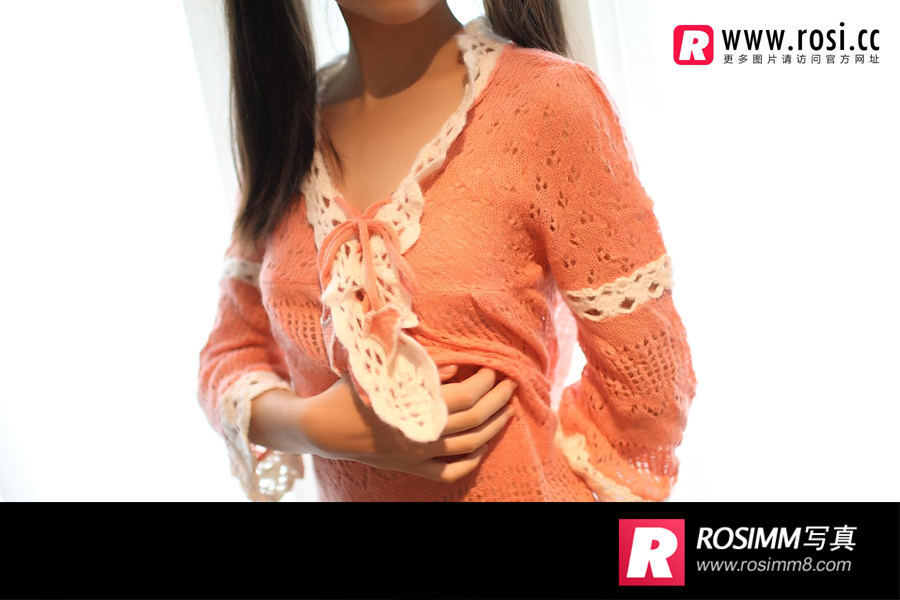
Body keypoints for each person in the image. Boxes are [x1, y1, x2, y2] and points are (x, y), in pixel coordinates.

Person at [197, 0, 698, 502]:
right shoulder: (286, 135)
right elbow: (229, 355)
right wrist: (310, 427)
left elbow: (649, 389)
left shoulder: (549, 101)